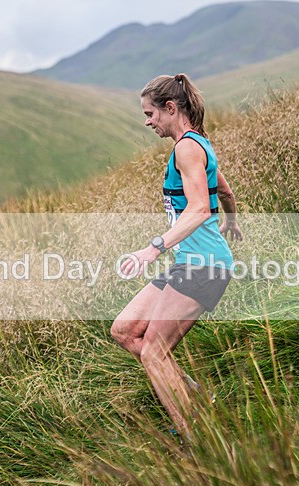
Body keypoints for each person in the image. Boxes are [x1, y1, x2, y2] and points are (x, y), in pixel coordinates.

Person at [111, 73, 242, 439]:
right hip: (190, 264)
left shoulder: (186, 148)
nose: (147, 122)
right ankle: (195, 396)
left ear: (170, 108)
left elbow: (199, 207)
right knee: (124, 330)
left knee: (153, 352)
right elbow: (224, 191)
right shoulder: (197, 144)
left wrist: (153, 248)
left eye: (150, 113)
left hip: (205, 267)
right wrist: (230, 221)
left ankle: (197, 439)